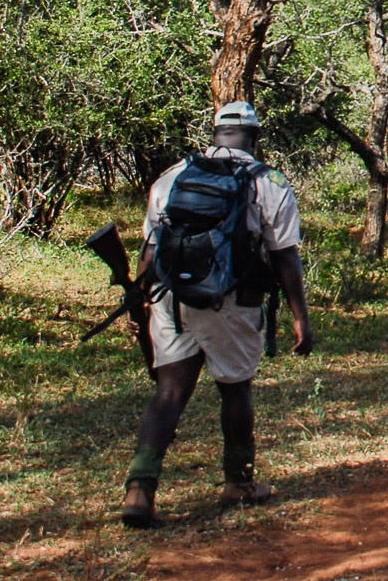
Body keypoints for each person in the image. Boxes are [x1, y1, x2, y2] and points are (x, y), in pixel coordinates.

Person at [121, 101, 313, 530]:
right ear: (255, 137)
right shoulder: (270, 182)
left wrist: (142, 300)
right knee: (235, 388)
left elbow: (150, 250)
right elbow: (285, 258)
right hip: (231, 302)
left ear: (213, 134)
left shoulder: (171, 177)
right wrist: (301, 315)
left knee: (169, 393)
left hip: (171, 298)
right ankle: (239, 482)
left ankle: (139, 489)